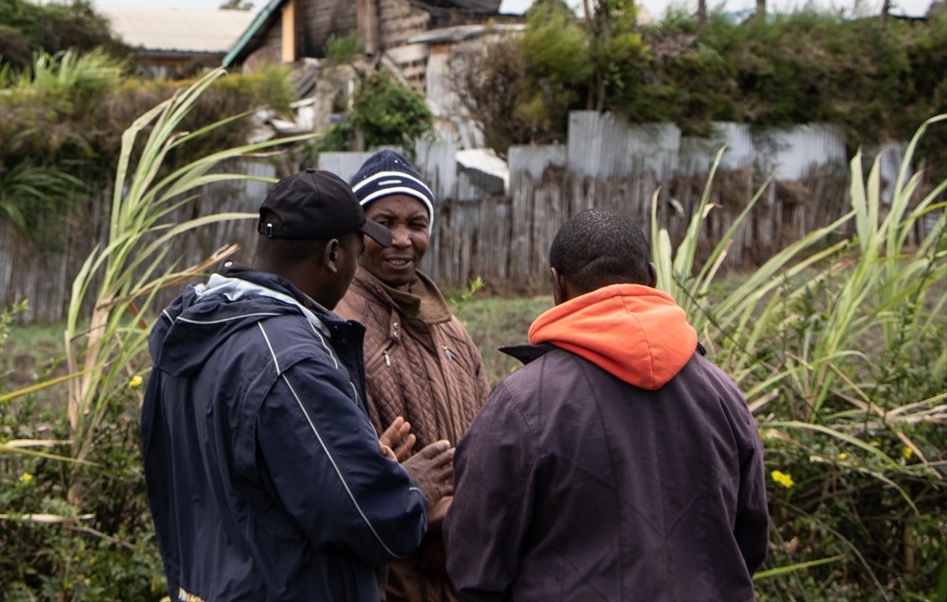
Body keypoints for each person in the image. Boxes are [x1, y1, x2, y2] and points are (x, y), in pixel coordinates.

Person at [140, 168, 455, 602]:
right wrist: (412, 486)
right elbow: (369, 519)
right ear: (332, 255)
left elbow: (250, 483)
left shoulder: (195, 332)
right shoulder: (290, 360)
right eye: (355, 249)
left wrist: (353, 461)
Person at [443, 208, 769, 602]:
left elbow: (473, 564)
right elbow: (748, 542)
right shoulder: (724, 395)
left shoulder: (521, 404)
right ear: (651, 278)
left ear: (557, 286)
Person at [335, 149, 491, 602]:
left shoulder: (451, 331)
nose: (401, 239)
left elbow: (486, 438)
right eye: (384, 223)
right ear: (357, 231)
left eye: (416, 225)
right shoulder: (339, 327)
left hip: (463, 571)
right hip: (389, 579)